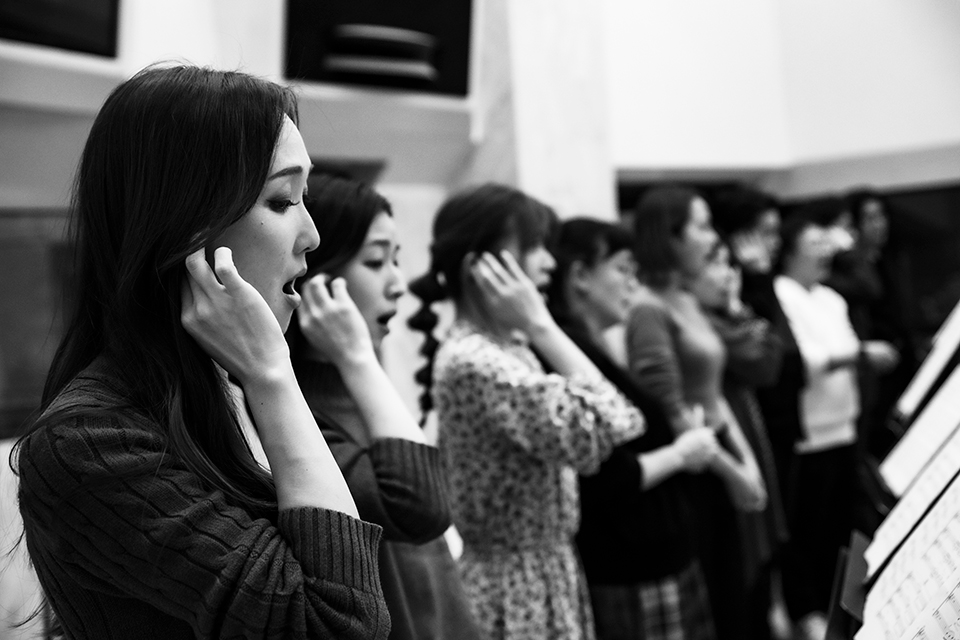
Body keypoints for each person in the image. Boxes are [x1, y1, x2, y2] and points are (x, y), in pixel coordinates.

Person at [12, 65, 390, 639]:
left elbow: (416, 510)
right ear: (189, 226)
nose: (312, 234)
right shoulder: (88, 444)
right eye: (283, 200)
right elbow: (340, 623)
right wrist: (273, 376)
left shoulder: (224, 386)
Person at [407, 183, 645, 640]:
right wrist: (541, 323)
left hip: (545, 570)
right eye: (533, 247)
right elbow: (612, 422)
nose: (549, 263)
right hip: (513, 587)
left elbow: (619, 421)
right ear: (483, 267)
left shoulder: (508, 347)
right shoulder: (477, 361)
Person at [286, 174, 480, 640]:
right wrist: (355, 356)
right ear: (318, 278)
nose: (398, 284)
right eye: (376, 261)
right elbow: (417, 505)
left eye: (397, 260)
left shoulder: (362, 386)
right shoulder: (294, 413)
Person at [547, 217, 720, 640]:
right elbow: (609, 473)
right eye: (623, 269)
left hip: (649, 552)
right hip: (629, 560)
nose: (632, 284)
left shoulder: (590, 345)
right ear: (581, 276)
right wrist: (684, 451)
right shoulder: (566, 352)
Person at [627, 184, 767, 640]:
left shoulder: (684, 298)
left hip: (719, 452)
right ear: (670, 236)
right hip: (695, 470)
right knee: (721, 600)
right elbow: (672, 411)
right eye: (702, 227)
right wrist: (733, 472)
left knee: (743, 591)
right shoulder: (646, 309)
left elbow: (714, 393)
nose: (712, 239)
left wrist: (748, 461)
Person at [773, 211, 896, 640]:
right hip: (809, 432)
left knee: (839, 525)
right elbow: (805, 360)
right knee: (808, 526)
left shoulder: (831, 298)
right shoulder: (782, 294)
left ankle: (839, 605)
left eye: (827, 244)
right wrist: (859, 354)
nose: (825, 252)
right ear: (788, 252)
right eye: (814, 244)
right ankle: (807, 611)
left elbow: (841, 347)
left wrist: (853, 355)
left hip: (844, 424)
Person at [688, 240, 789, 640]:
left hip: (746, 437)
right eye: (714, 263)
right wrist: (739, 314)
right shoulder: (695, 327)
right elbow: (759, 355)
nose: (728, 273)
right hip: (718, 451)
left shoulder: (727, 320)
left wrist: (736, 310)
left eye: (730, 264)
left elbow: (768, 363)